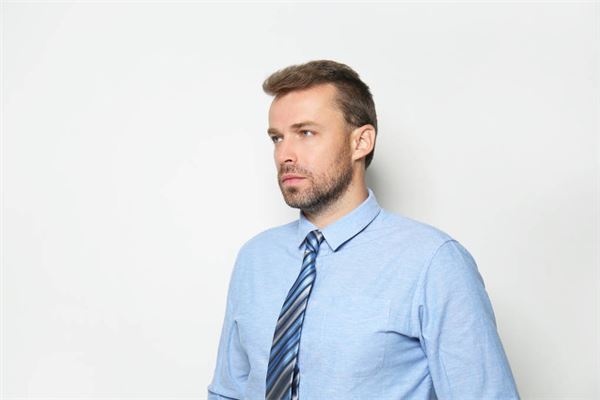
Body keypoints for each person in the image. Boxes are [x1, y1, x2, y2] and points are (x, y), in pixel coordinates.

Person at [207, 60, 520, 399]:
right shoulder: (255, 258)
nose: (285, 154)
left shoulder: (433, 263)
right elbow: (229, 391)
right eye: (277, 138)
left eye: (306, 133)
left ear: (361, 142)